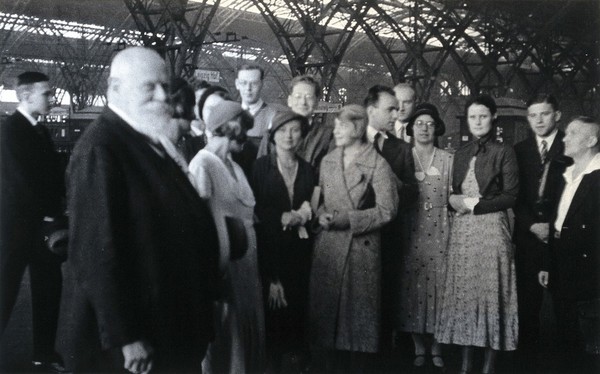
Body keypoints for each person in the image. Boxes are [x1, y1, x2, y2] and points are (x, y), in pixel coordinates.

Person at [56, 47, 220, 373]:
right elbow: (96, 252)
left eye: (164, 86)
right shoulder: (101, 147)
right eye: (149, 87)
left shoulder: (143, 140)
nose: (163, 96)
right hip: (134, 345)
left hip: (168, 327)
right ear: (116, 89)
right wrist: (126, 336)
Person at [309, 104, 399, 371]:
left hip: (360, 252)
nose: (335, 131)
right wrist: (321, 214)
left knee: (356, 331)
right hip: (327, 248)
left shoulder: (378, 165)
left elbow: (388, 210)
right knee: (324, 327)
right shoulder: (328, 161)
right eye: (335, 125)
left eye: (342, 126)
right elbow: (319, 199)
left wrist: (349, 219)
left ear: (358, 128)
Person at [435, 95, 519, 374]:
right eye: (473, 117)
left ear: (493, 118)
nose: (478, 121)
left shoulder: (504, 151)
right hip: (462, 231)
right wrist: (452, 201)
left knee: (491, 294)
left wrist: (473, 204)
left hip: (491, 227)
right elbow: (452, 193)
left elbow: (510, 196)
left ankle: (488, 367)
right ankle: (465, 364)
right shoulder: (460, 152)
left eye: (483, 116)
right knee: (464, 296)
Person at [188, 100, 265, 374]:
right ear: (229, 128)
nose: (246, 136)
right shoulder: (202, 165)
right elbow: (199, 226)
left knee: (244, 341)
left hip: (247, 269)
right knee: (225, 343)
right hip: (225, 270)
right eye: (243, 127)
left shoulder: (236, 167)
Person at [0, 71, 66, 371]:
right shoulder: (10, 130)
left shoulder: (39, 130)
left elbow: (51, 175)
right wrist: (50, 212)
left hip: (39, 227)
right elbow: (21, 182)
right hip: (16, 229)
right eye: (46, 93)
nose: (51, 98)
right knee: (5, 291)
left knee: (49, 289)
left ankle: (44, 352)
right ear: (25, 96)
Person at [251, 109, 315, 372]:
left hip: (300, 253)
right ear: (273, 135)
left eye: (295, 130)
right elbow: (254, 208)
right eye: (282, 130)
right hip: (269, 251)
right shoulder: (261, 167)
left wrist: (305, 214)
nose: (289, 136)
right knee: (273, 315)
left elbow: (313, 203)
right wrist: (281, 216)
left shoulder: (309, 169)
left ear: (302, 135)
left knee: (296, 315)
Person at [538, 116, 600, 372]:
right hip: (561, 264)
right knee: (565, 336)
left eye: (572, 133)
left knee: (589, 344)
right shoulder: (565, 174)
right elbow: (557, 224)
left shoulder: (597, 178)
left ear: (591, 140)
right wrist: (547, 263)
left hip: (589, 274)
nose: (564, 138)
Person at [513, 93, 568, 370]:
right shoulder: (519, 150)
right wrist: (531, 225)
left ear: (557, 115)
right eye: (533, 115)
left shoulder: (570, 146)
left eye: (544, 114)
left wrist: (554, 224)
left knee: (563, 308)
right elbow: (515, 196)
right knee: (528, 307)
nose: (538, 120)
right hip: (529, 238)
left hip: (561, 236)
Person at [396, 103, 452, 369]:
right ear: (411, 128)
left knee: (439, 288)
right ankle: (419, 346)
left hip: (440, 229)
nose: (425, 129)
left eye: (430, 124)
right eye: (419, 124)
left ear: (437, 128)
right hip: (411, 228)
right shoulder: (403, 157)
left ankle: (437, 345)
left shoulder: (448, 159)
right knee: (412, 288)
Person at [364, 84, 418, 351]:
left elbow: (412, 195)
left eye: (398, 109)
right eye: (390, 109)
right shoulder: (349, 140)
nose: (396, 115)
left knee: (385, 298)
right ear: (371, 109)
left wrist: (394, 184)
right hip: (356, 234)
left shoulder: (401, 149)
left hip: (388, 236)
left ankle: (383, 356)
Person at [257, 75, 335, 170]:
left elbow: (330, 174)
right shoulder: (271, 134)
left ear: (316, 102)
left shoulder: (328, 136)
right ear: (289, 101)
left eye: (309, 97)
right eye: (298, 97)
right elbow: (260, 172)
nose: (303, 102)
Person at [235, 64, 285, 158]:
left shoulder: (274, 116)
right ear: (237, 84)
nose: (248, 88)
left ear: (261, 84)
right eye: (243, 83)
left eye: (254, 83)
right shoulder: (231, 115)